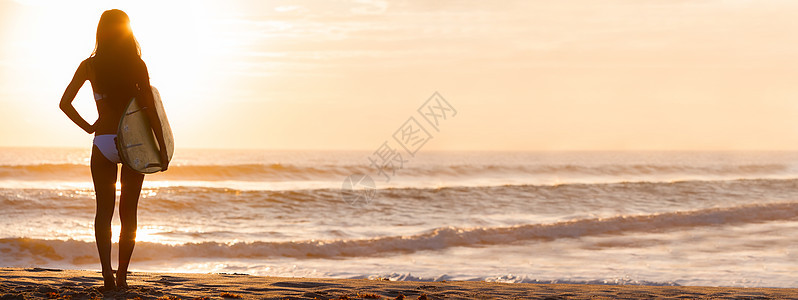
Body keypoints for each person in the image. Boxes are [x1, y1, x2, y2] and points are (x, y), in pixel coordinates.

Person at [59, 9, 168, 290]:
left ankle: (106, 274)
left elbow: (65, 103)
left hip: (104, 142)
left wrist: (88, 127)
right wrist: (163, 150)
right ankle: (122, 276)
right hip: (134, 144)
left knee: (103, 212)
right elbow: (152, 111)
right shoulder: (137, 64)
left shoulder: (89, 65)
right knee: (128, 212)